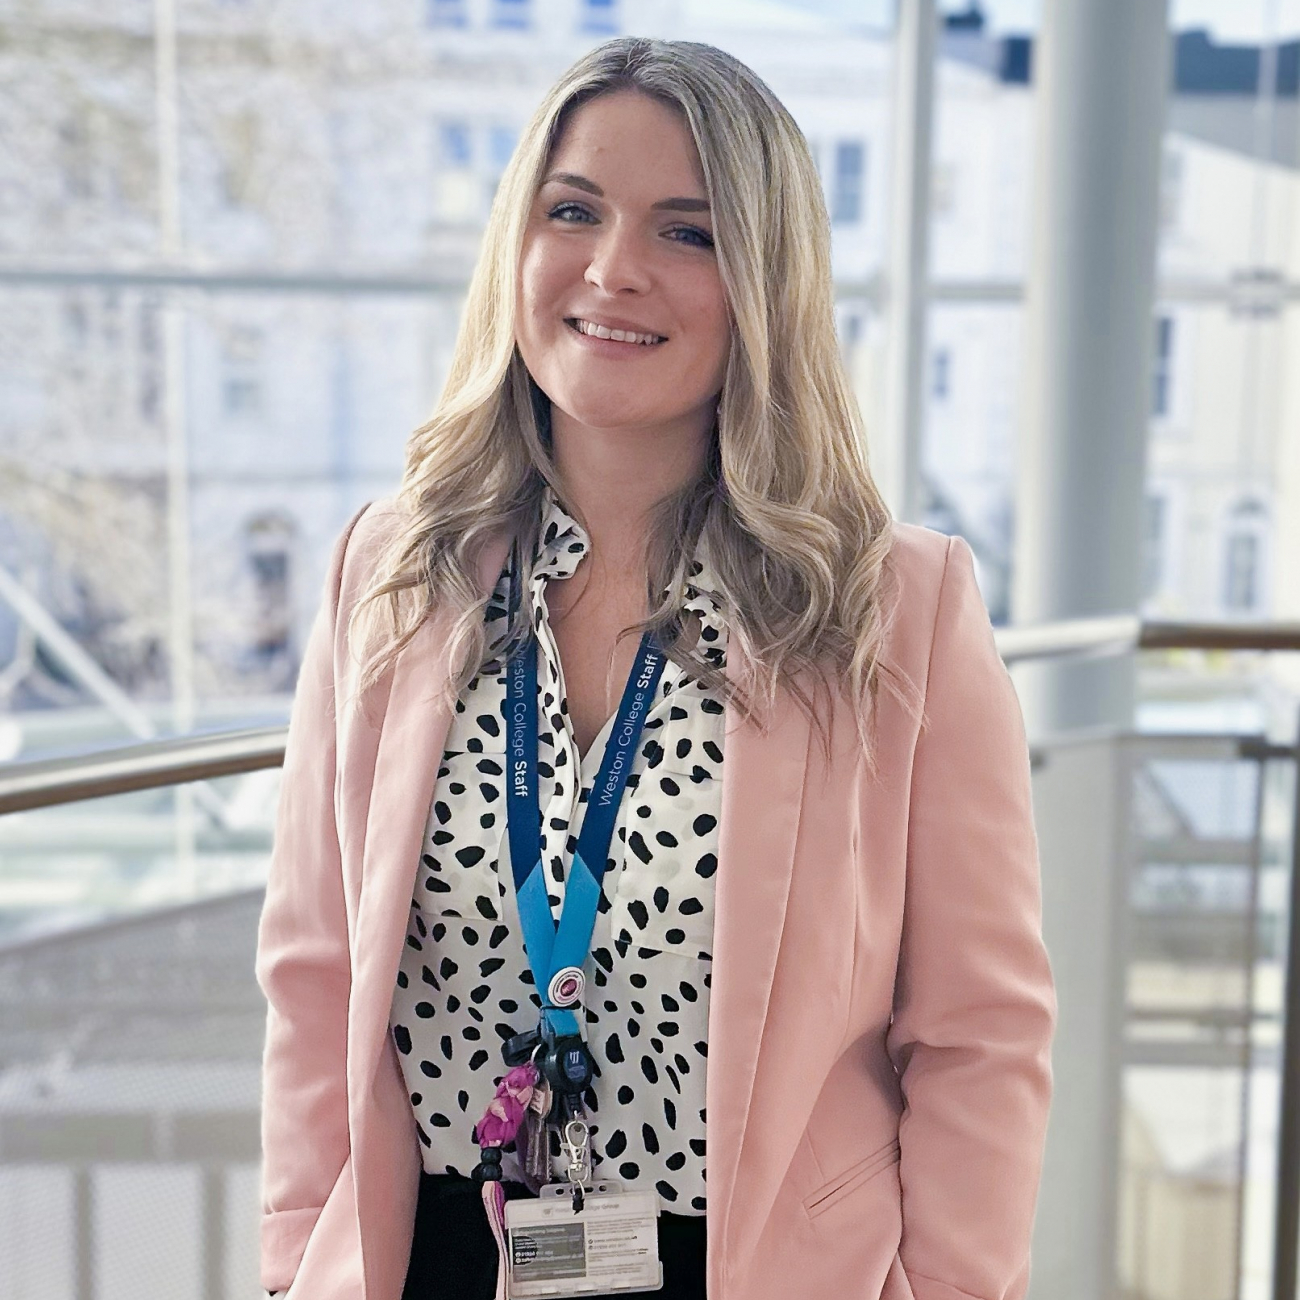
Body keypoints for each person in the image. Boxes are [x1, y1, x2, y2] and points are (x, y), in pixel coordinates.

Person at [255, 35, 1056, 1300]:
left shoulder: (898, 609)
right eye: (572, 211)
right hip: (438, 1259)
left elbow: (978, 1034)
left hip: (753, 1268)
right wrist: (297, 1263)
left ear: (765, 280)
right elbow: (312, 973)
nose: (612, 270)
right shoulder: (390, 570)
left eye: (687, 232)